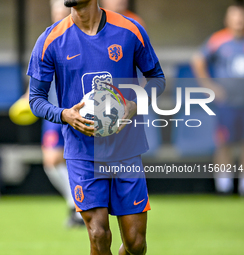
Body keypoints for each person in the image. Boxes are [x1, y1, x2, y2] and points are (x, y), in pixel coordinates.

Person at [28, 0, 165, 254]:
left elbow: (156, 78)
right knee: (98, 234)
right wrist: (64, 115)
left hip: (126, 147)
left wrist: (134, 105)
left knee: (136, 244)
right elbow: (35, 99)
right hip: (83, 151)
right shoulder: (50, 40)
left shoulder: (130, 30)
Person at [192, 4, 244, 196]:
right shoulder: (218, 40)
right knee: (224, 144)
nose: (239, 20)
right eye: (235, 16)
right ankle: (224, 188)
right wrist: (209, 86)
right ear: (227, 19)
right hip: (226, 103)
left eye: (241, 16)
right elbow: (198, 60)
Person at [41, 0, 84, 227]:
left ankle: (83, 207)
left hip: (80, 109)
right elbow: (40, 77)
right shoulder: (47, 40)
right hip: (55, 112)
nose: (59, 16)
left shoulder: (81, 39)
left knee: (82, 160)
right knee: (51, 161)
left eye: (63, 11)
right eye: (55, 12)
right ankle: (75, 204)